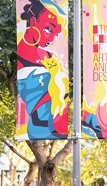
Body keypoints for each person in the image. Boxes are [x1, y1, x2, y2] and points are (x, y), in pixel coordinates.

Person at [17, 0, 68, 139]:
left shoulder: (51, 56)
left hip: (51, 123)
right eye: (48, 30)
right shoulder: (23, 56)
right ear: (33, 21)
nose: (51, 39)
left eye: (56, 34)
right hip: (38, 125)